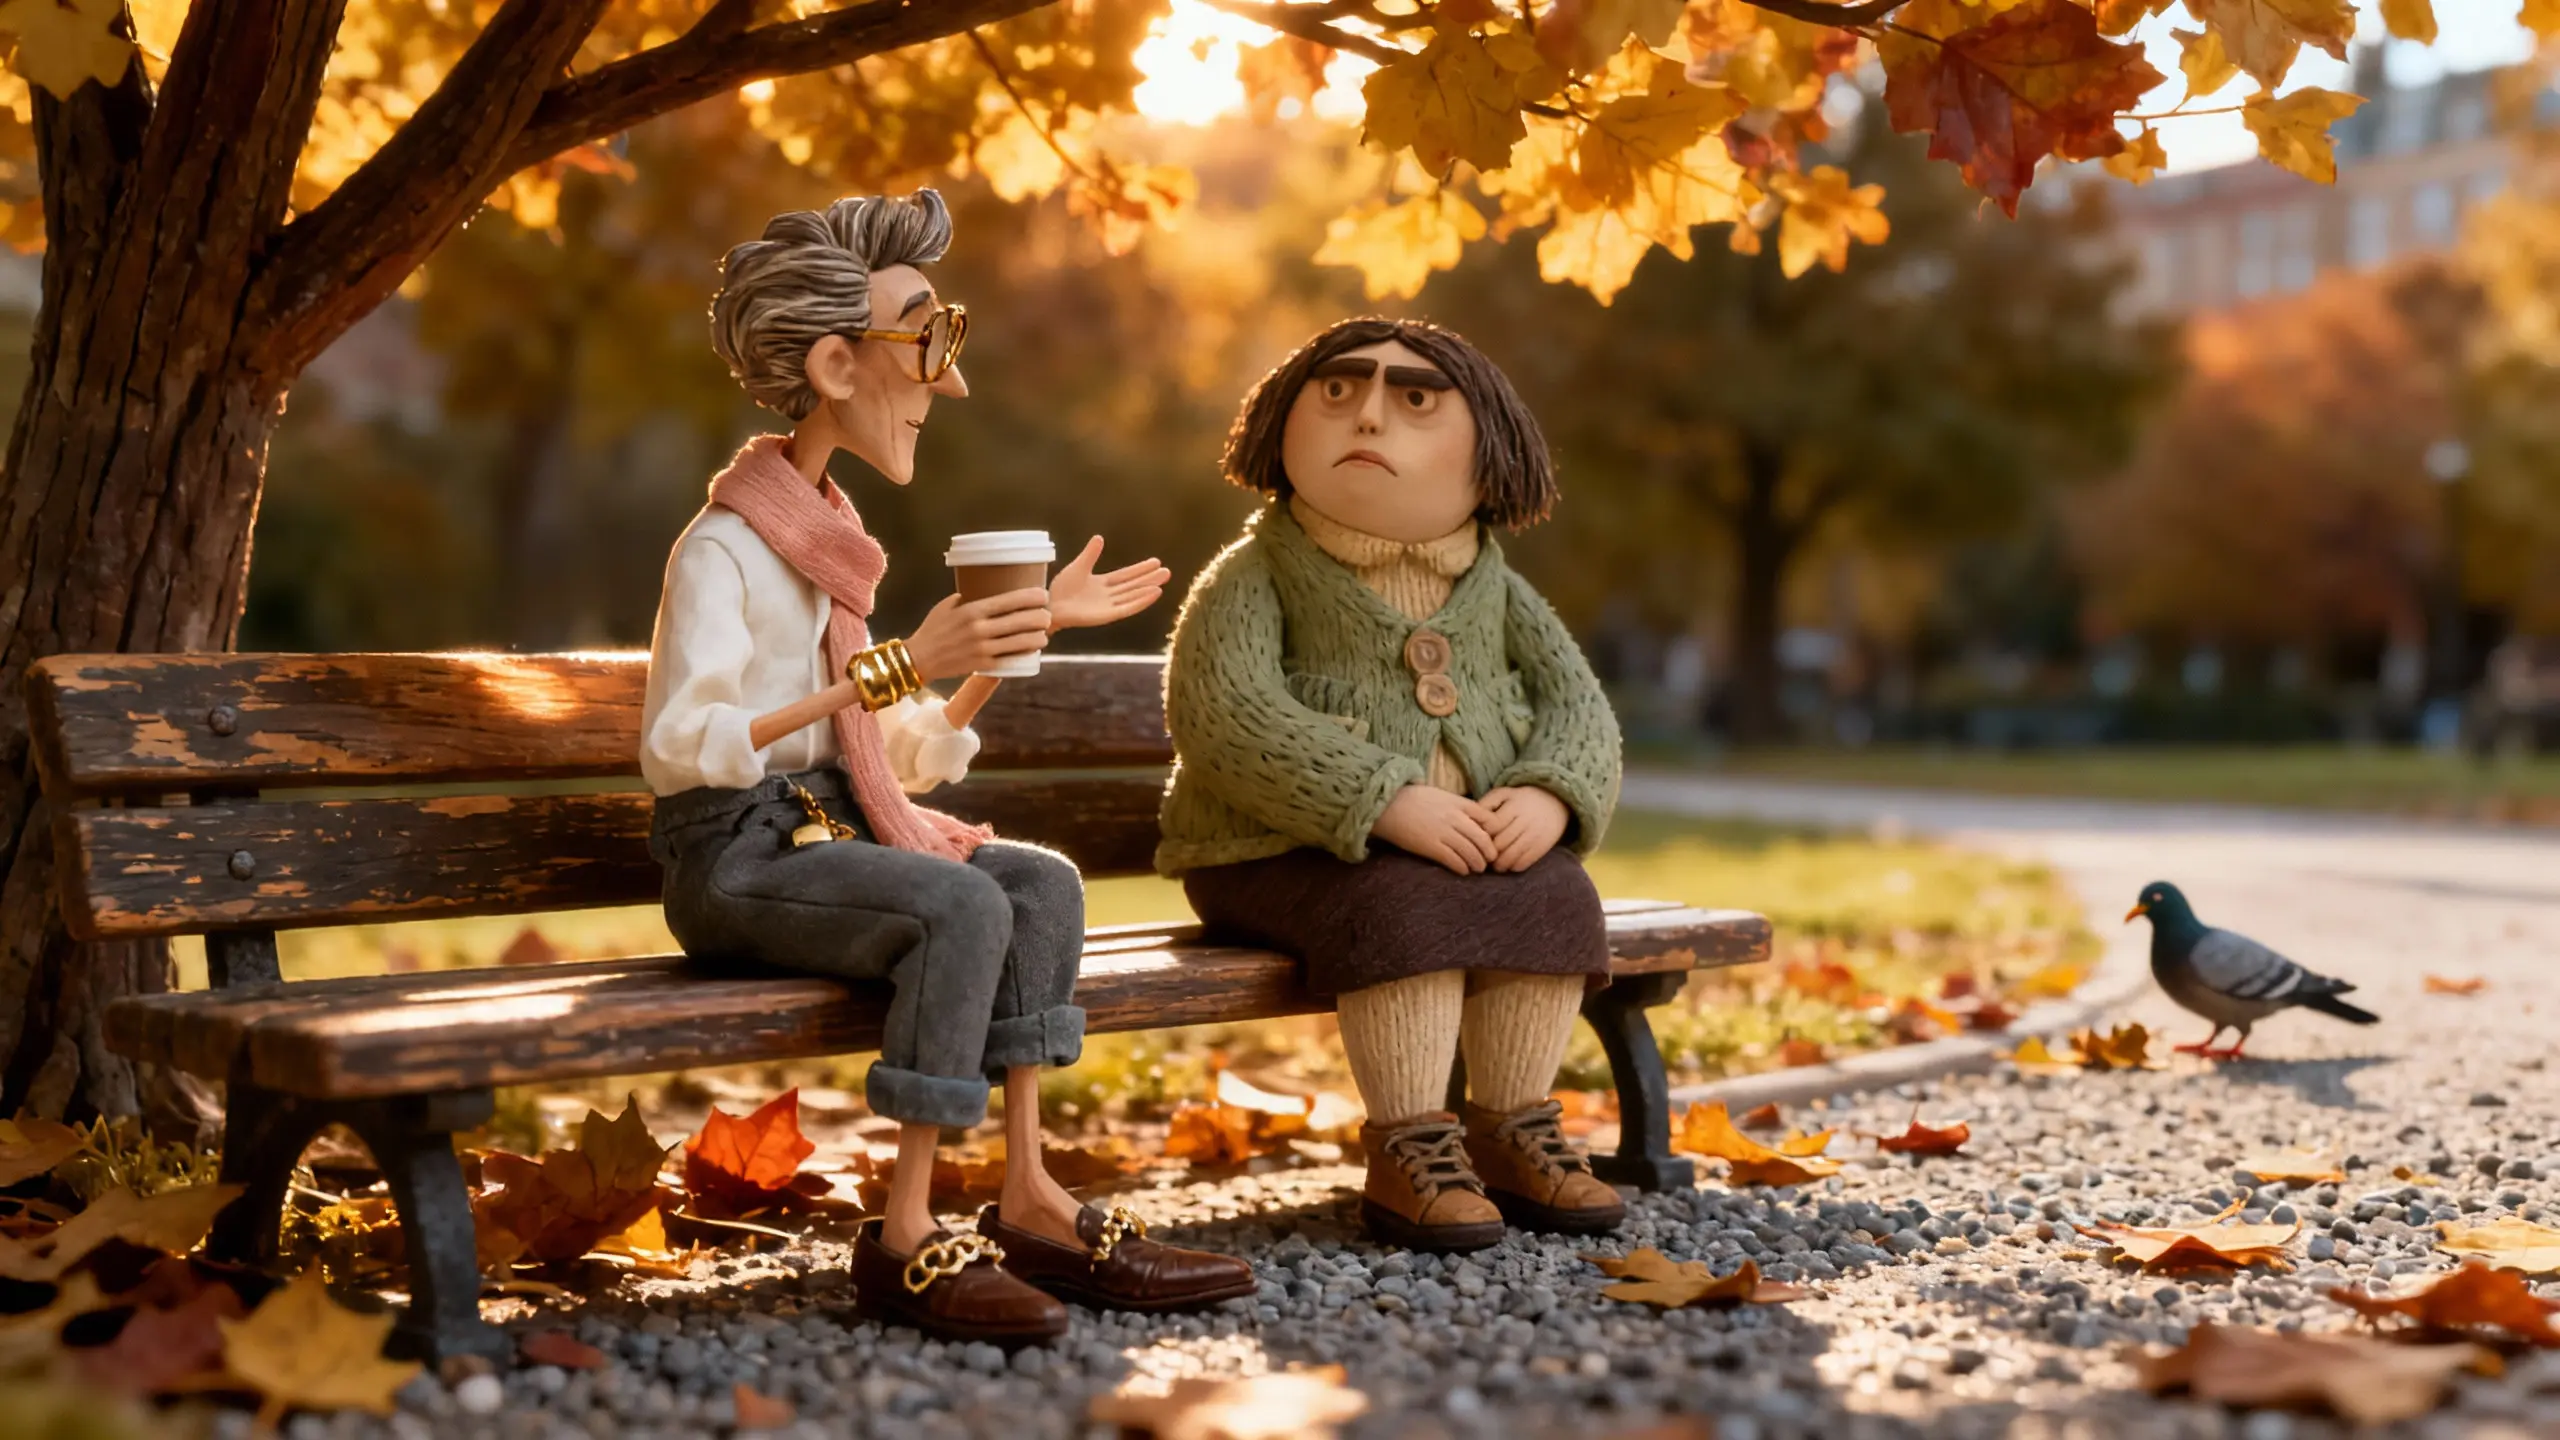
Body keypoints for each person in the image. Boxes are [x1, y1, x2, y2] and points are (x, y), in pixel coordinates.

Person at [642, 189, 1251, 1344]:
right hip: (731, 853)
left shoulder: (824, 536)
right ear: (834, 362)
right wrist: (894, 666)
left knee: (1039, 883)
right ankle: (908, 1230)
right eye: (929, 341)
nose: (949, 381)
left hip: (824, 830)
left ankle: (1028, 1194)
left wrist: (1024, 634)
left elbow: (900, 756)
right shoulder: (724, 547)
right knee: (959, 905)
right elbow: (685, 747)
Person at [1159, 317, 1627, 1253]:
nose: (1367, 418)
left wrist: (1550, 794)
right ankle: (1409, 1146)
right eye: (1337, 392)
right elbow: (1224, 710)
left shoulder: (1494, 585)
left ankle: (1511, 1128)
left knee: (1558, 898)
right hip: (1272, 857)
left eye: (1414, 400)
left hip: (1472, 855)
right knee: (1403, 910)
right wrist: (1381, 796)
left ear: (1488, 454)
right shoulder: (1259, 575)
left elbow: (1581, 708)